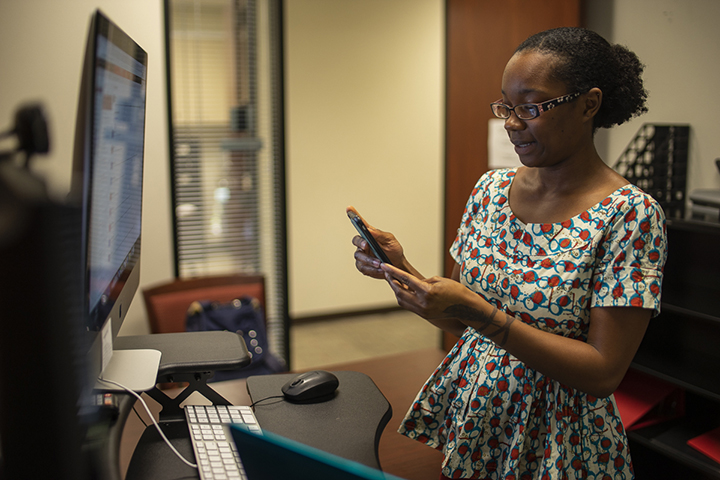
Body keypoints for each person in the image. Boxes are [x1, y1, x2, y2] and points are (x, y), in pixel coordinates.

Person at [348, 27, 667, 480]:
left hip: (560, 439)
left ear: (588, 105)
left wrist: (485, 316)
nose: (511, 123)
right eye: (506, 107)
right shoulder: (491, 190)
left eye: (531, 108)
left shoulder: (629, 215)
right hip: (478, 416)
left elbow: (602, 373)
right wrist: (402, 271)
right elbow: (460, 320)